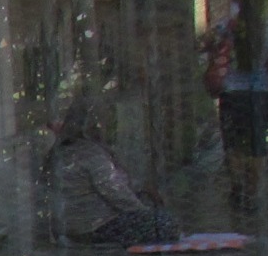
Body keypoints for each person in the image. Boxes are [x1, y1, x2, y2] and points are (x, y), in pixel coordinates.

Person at [46, 96, 181, 247]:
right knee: (165, 223)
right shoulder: (90, 152)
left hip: (67, 228)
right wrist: (143, 212)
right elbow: (113, 191)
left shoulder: (59, 151)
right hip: (93, 228)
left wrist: (141, 187)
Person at [213, 0, 268, 210]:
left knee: (233, 144)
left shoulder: (225, 27)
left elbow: (209, 47)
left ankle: (236, 185)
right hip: (258, 93)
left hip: (231, 93)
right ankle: (251, 193)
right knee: (257, 147)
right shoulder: (267, 29)